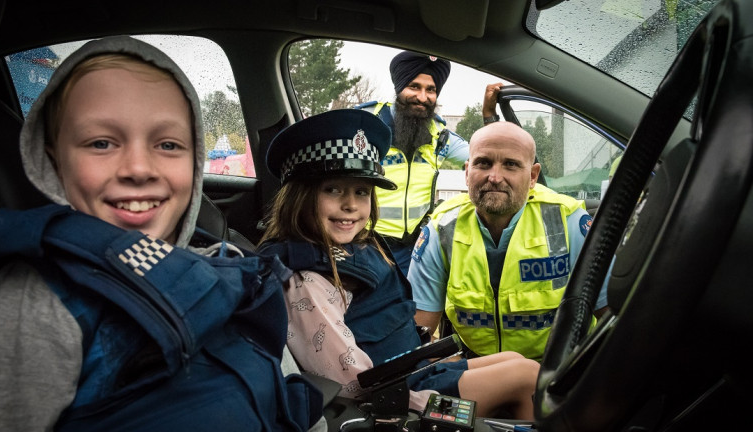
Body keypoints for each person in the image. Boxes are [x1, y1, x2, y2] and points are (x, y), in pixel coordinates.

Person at [0, 36, 322, 431]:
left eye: (167, 144)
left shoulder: (223, 264)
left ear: (195, 160)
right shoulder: (33, 306)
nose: (138, 168)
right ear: (52, 159)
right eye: (101, 142)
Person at [257, 109, 539, 420]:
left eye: (362, 191)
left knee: (516, 360)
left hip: (404, 372)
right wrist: (427, 405)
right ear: (300, 195)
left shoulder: (356, 247)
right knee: (526, 379)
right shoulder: (304, 277)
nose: (351, 204)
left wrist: (426, 362)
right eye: (333, 189)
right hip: (389, 400)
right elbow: (350, 385)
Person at [408, 122, 609, 362]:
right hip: (476, 368)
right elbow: (419, 334)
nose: (494, 177)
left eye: (511, 165)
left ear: (533, 176)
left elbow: (613, 319)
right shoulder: (442, 228)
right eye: (483, 163)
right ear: (467, 171)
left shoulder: (568, 221)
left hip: (560, 368)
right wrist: (459, 371)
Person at [356, 50, 504, 274]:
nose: (423, 97)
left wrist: (489, 116)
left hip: (413, 250)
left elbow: (489, 156)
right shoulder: (365, 124)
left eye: (431, 90)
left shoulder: (440, 137)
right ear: (399, 88)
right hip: (364, 245)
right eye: (414, 87)